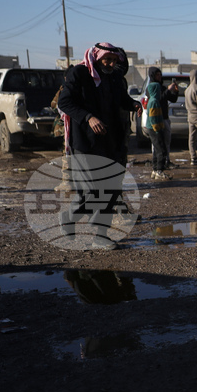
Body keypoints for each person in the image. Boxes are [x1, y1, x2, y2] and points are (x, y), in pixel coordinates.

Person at [56, 43, 140, 249]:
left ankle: (100, 235)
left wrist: (134, 104)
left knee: (110, 190)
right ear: (97, 57)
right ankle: (69, 217)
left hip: (111, 142)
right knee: (92, 192)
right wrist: (88, 118)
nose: (111, 64)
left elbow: (122, 100)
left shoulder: (114, 78)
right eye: (107, 60)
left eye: (114, 60)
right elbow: (64, 102)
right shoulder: (80, 73)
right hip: (85, 144)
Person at [142, 67, 171, 180]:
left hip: (154, 128)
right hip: (155, 129)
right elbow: (154, 119)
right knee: (160, 150)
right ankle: (159, 170)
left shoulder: (153, 100)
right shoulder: (154, 102)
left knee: (157, 149)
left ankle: (155, 170)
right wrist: (158, 129)